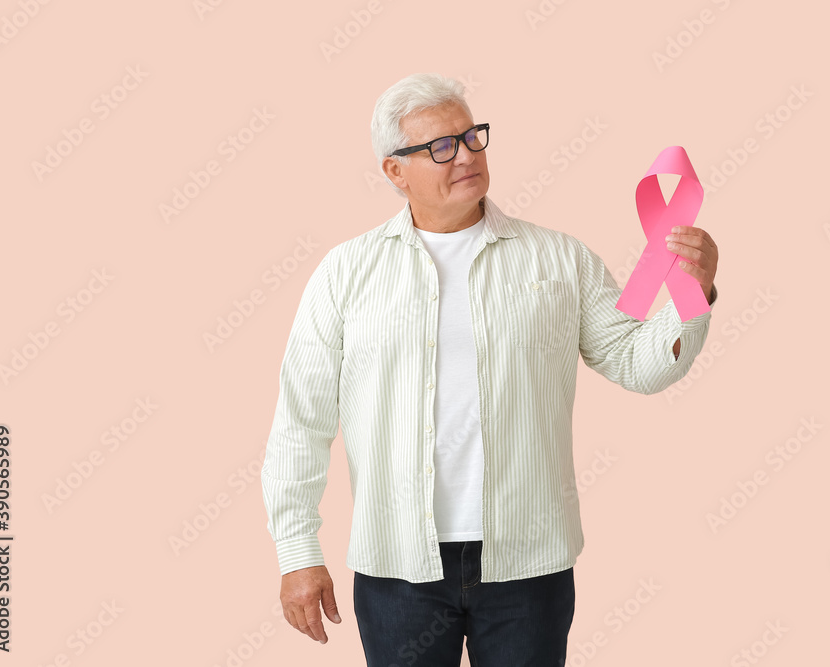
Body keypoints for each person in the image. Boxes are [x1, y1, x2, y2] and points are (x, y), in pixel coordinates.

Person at [260, 72, 719, 666]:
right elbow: (301, 419)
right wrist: (297, 551)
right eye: (440, 147)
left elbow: (637, 361)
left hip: (528, 566)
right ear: (394, 172)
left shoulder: (559, 258)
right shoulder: (345, 274)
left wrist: (693, 292)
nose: (466, 155)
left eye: (471, 136)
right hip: (398, 568)